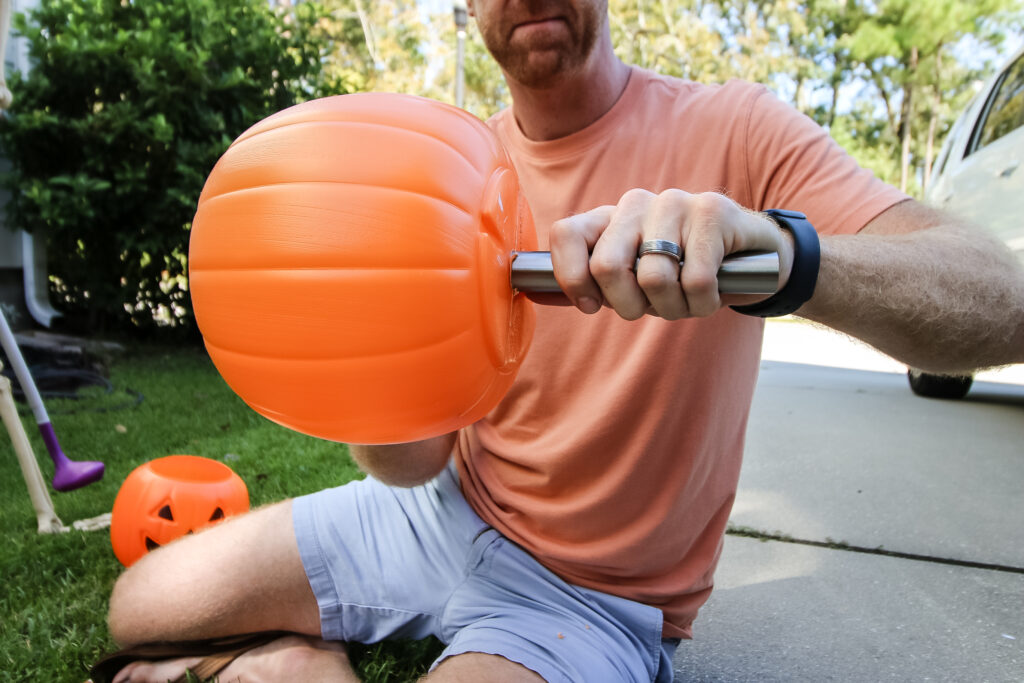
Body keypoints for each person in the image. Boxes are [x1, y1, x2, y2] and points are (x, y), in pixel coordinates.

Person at [99, 1, 1024, 681]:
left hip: (588, 593)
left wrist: (785, 251)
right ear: (466, 8)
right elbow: (412, 464)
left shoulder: (736, 131)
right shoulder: (444, 163)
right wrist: (361, 360)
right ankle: (294, 660)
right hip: (438, 516)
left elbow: (1002, 302)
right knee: (139, 606)